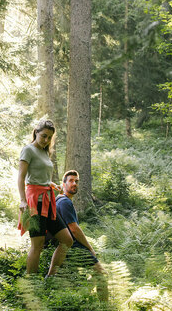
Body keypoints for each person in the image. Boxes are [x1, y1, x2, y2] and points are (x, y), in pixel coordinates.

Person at [17, 119, 74, 277]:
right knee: (37, 245)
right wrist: (22, 200)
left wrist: (50, 184)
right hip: (35, 203)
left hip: (48, 202)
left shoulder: (44, 151)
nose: (46, 140)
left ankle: (50, 276)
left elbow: (39, 174)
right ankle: (32, 285)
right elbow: (22, 177)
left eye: (49, 137)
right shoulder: (28, 150)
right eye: (43, 136)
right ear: (36, 132)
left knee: (67, 240)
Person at [48, 170, 108, 301]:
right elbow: (74, 229)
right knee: (102, 274)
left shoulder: (59, 200)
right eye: (71, 181)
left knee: (95, 275)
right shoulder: (64, 202)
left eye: (76, 181)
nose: (74, 183)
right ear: (63, 184)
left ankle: (84, 295)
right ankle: (106, 309)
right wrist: (90, 248)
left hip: (65, 247)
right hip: (74, 248)